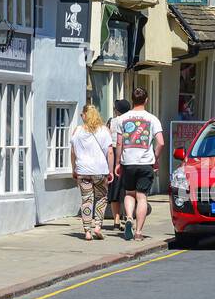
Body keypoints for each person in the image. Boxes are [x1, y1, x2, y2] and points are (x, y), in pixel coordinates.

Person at [114, 89, 165, 240]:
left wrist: (118, 163)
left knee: (129, 193)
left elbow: (119, 143)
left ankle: (129, 217)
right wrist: (155, 159)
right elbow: (161, 142)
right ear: (146, 100)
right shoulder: (152, 119)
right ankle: (138, 233)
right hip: (145, 163)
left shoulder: (121, 119)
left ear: (132, 100)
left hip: (128, 162)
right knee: (142, 197)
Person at [71, 104, 114, 240]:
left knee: (86, 200)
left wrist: (74, 168)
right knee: (101, 198)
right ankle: (97, 226)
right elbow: (110, 152)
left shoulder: (77, 131)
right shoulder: (104, 130)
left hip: (83, 170)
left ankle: (87, 232)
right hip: (100, 170)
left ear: (85, 115)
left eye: (81, 115)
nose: (81, 117)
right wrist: (111, 171)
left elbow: (73, 152)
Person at [106, 98, 131, 232]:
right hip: (128, 154)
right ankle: (128, 217)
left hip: (114, 152)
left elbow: (107, 140)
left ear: (117, 110)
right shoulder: (130, 121)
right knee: (127, 190)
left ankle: (116, 220)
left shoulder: (111, 121)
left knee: (114, 189)